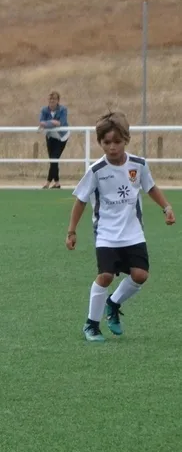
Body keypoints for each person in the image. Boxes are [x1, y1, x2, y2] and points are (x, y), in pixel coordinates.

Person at [66, 111, 174, 342]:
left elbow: (151, 187)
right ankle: (91, 325)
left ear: (126, 139)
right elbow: (81, 200)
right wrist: (71, 231)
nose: (112, 147)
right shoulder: (96, 170)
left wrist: (166, 208)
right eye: (107, 142)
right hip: (106, 233)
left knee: (140, 275)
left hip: (133, 232)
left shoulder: (139, 165)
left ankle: (113, 303)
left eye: (117, 142)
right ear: (100, 143)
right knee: (105, 276)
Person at [39, 90, 69, 189]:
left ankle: (47, 182)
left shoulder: (63, 109)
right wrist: (53, 122)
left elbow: (61, 123)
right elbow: (41, 122)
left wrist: (47, 123)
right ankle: (57, 183)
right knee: (53, 160)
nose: (52, 101)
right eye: (50, 99)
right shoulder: (44, 110)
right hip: (50, 136)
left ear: (58, 100)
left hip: (61, 137)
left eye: (54, 99)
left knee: (54, 158)